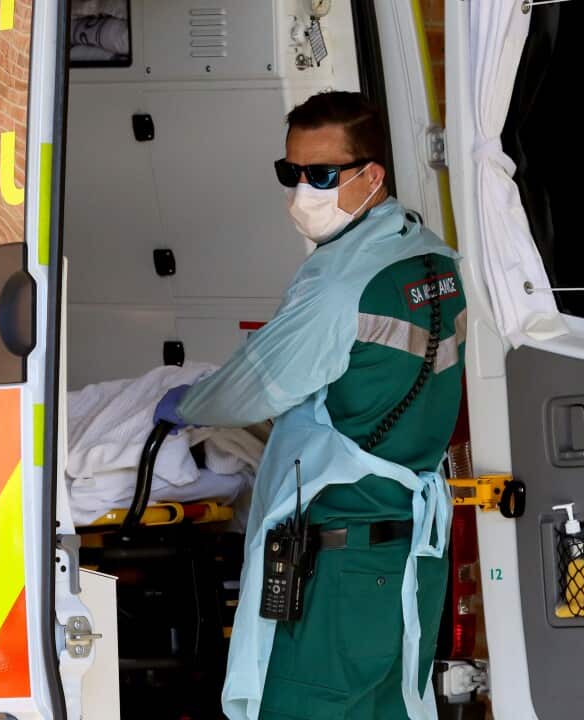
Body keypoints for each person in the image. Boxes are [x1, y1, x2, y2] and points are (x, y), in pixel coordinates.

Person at [153, 91, 467, 720]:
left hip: (339, 574)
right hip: (408, 562)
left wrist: (188, 403)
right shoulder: (431, 258)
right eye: (290, 173)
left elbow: (255, 386)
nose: (302, 192)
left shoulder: (342, 283)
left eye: (321, 175)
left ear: (371, 175)